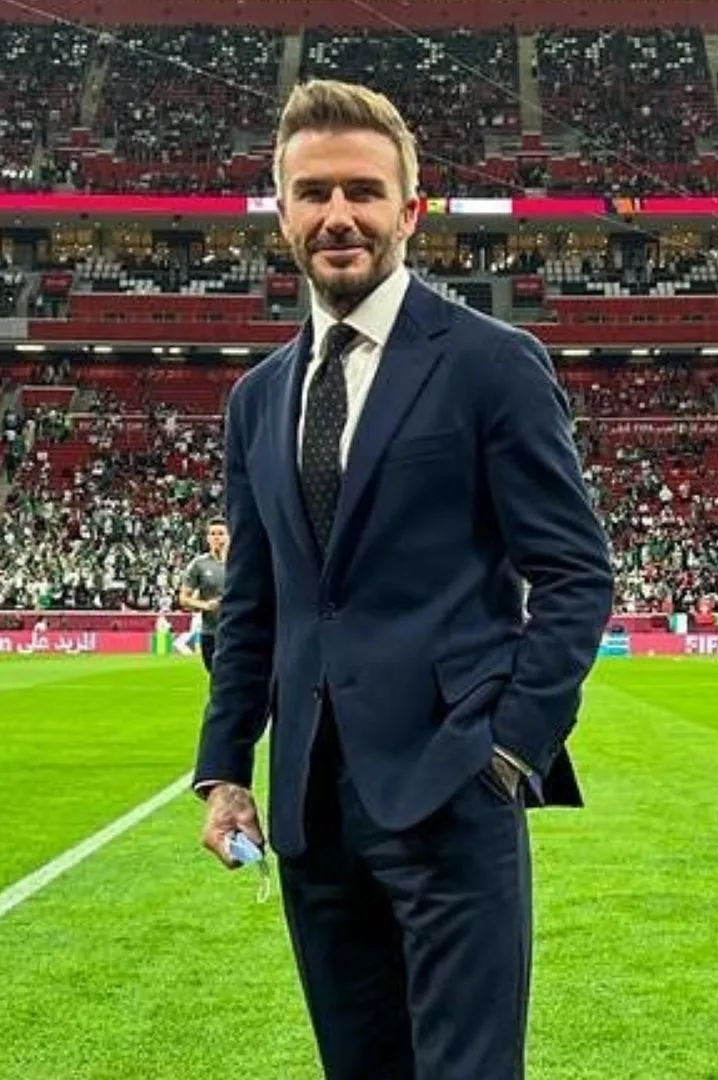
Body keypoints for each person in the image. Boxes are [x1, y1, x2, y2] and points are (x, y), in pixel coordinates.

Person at [192, 79, 614, 1079]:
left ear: (410, 211)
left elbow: (574, 572)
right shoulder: (257, 400)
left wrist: (508, 751)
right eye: (314, 193)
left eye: (364, 191)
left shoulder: (491, 364)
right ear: (283, 215)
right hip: (310, 809)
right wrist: (225, 771)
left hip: (453, 788)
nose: (339, 214)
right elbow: (253, 604)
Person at [177, 519, 228, 673]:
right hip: (211, 633)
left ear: (229, 536)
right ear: (207, 538)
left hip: (236, 632)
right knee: (215, 678)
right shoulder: (199, 564)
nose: (217, 537)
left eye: (221, 533)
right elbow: (183, 599)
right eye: (213, 534)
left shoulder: (239, 563)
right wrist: (205, 605)